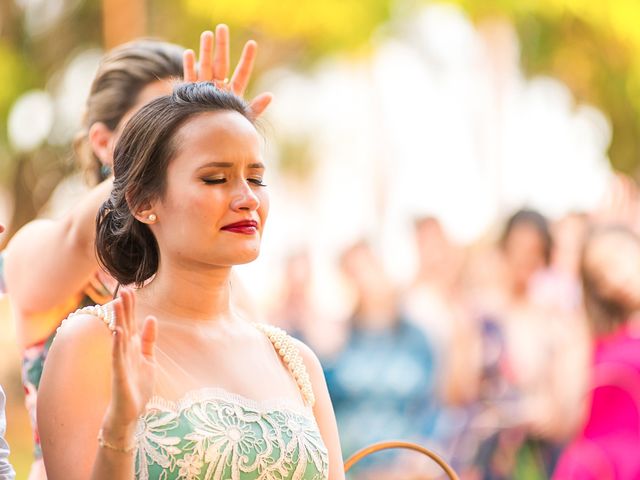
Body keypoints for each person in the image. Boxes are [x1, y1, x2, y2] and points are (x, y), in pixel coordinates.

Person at [37, 82, 343, 479]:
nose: (246, 197)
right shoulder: (94, 344)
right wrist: (120, 428)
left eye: (256, 178)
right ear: (143, 202)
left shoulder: (296, 361)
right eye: (216, 179)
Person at [4, 26, 271, 478]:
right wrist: (183, 145)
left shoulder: (231, 292)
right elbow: (75, 237)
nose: (174, 126)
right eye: (156, 117)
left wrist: (217, 137)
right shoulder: (41, 247)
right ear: (104, 143)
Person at [554, 226, 640, 479]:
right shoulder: (589, 337)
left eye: (619, 257)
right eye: (601, 273)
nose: (616, 276)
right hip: (597, 468)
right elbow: (565, 419)